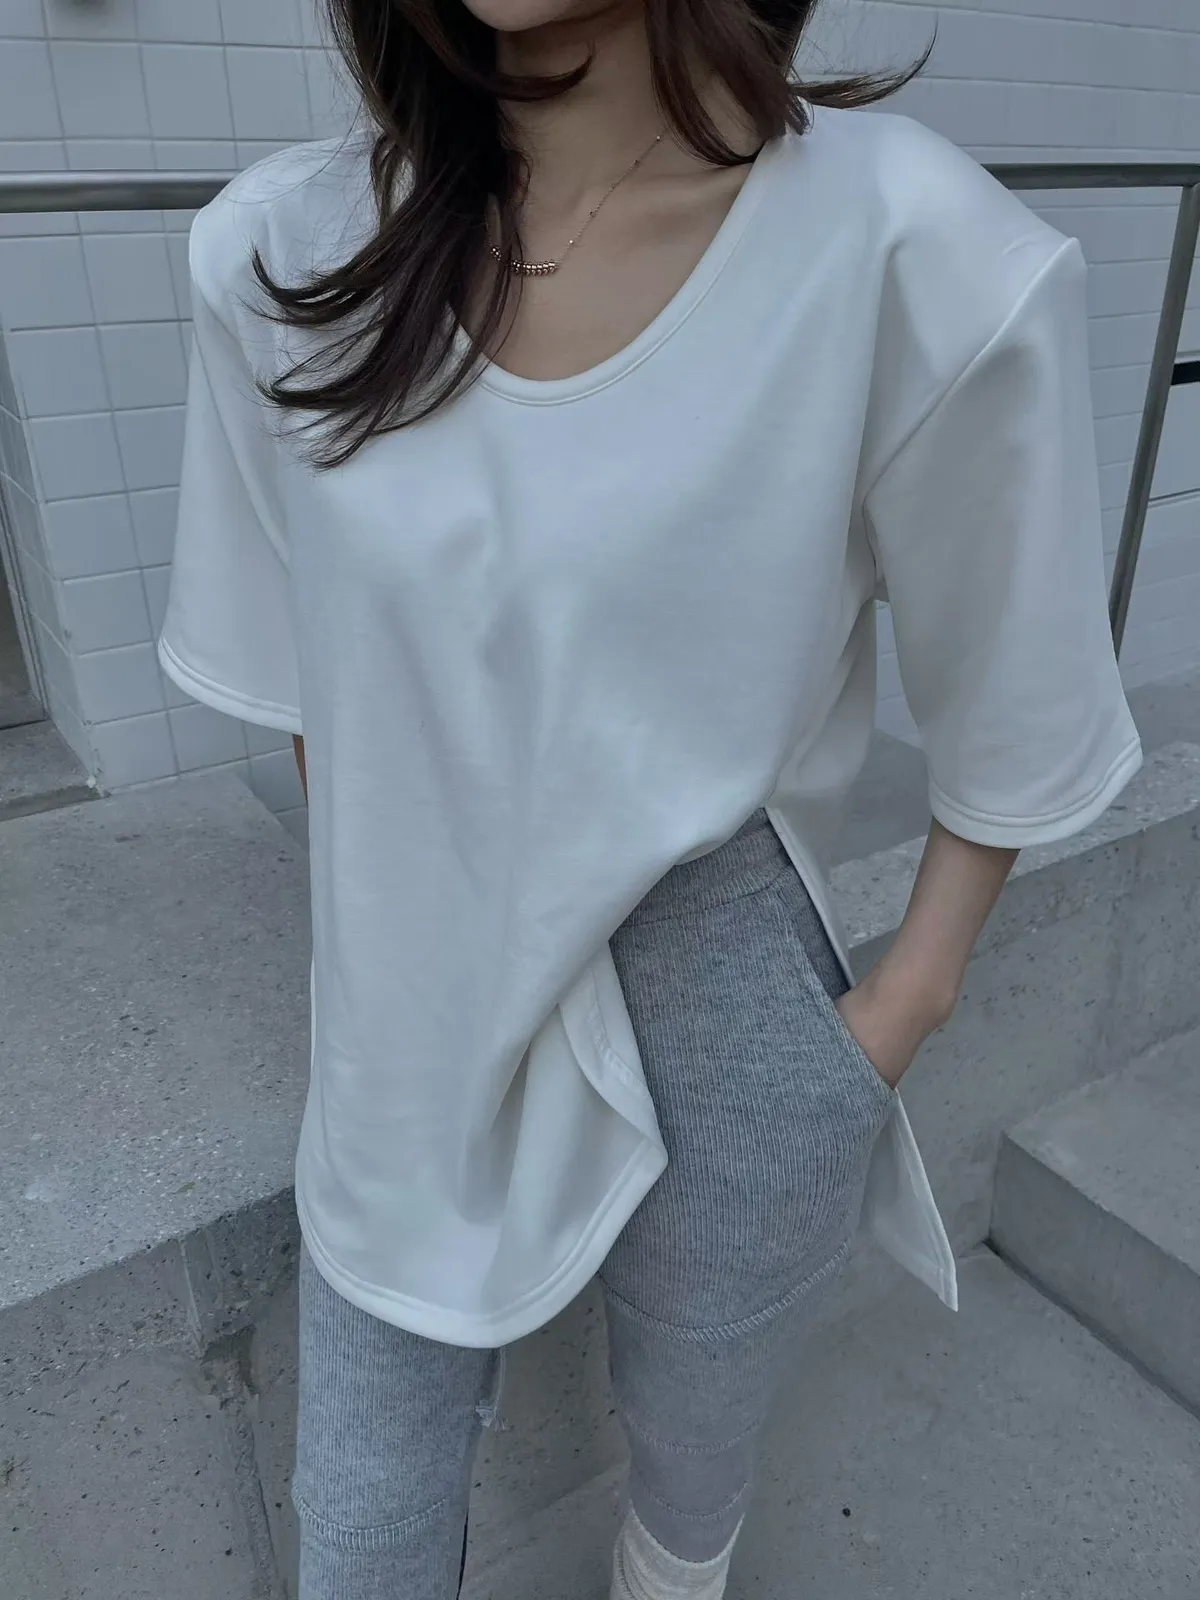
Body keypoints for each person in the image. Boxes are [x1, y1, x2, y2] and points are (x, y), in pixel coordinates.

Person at [157, 0, 1142, 1593]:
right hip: (413, 1007)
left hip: (725, 989)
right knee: (362, 1518)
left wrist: (904, 1006)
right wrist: (397, 927)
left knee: (692, 1476)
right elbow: (313, 691)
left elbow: (1020, 693)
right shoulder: (283, 254)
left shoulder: (903, 243)